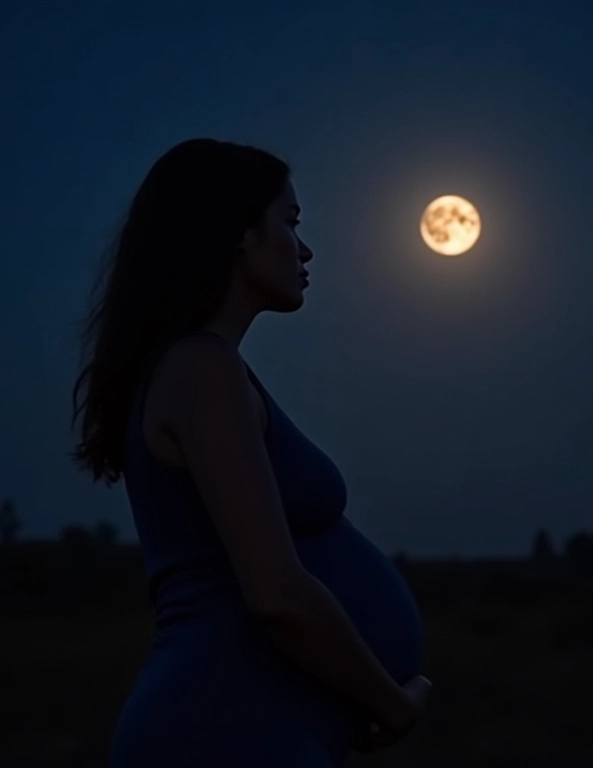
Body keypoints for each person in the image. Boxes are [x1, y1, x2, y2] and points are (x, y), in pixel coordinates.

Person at [70, 138, 432, 767]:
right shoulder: (200, 370)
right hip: (222, 727)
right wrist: (389, 702)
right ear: (238, 234)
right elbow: (277, 593)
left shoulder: (207, 369)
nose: (306, 247)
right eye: (290, 223)